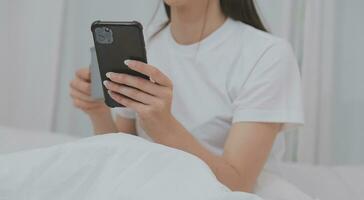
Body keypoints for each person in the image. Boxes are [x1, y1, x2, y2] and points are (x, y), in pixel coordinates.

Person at [69, 0, 303, 193]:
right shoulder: (146, 44)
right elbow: (124, 153)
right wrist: (98, 112)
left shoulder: (267, 54)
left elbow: (237, 183)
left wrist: (163, 125)